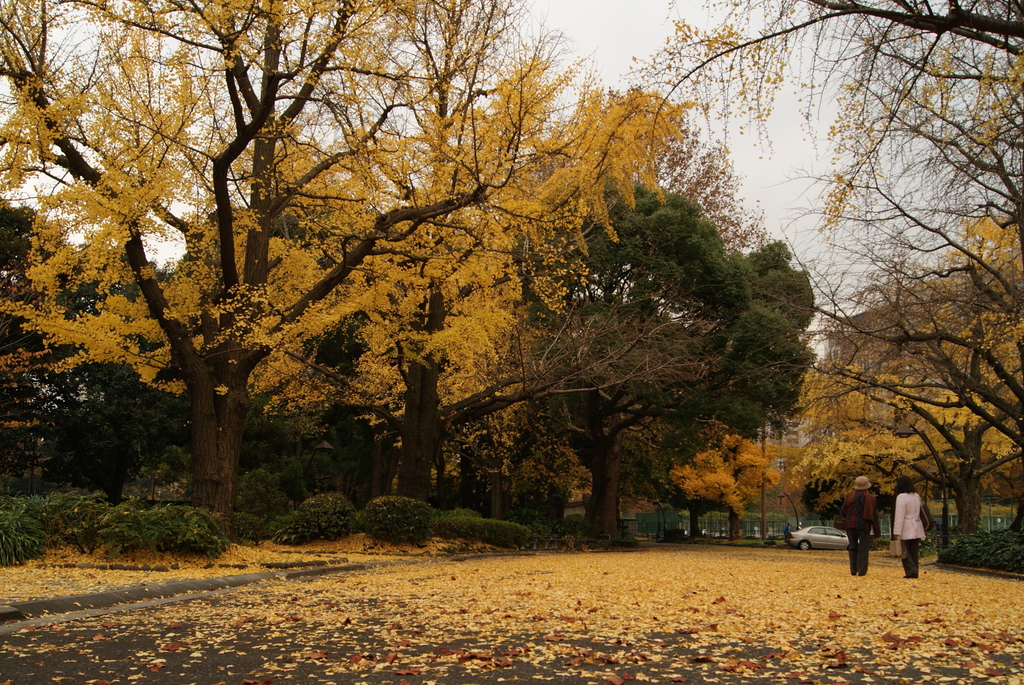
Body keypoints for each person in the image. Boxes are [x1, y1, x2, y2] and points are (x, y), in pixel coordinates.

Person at [841, 475, 880, 576]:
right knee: (863, 548)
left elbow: (843, 511)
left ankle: (853, 570)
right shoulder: (871, 498)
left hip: (850, 525)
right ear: (867, 487)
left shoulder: (849, 496)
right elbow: (874, 515)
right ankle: (862, 571)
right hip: (864, 525)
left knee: (852, 547)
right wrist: (877, 531)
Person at [892, 475, 927, 579]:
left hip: (906, 526)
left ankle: (911, 570)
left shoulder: (901, 497)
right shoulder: (916, 496)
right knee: (913, 551)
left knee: (904, 551)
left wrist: (896, 531)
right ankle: (915, 571)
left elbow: (899, 515)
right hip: (917, 525)